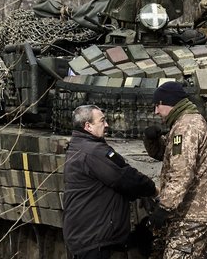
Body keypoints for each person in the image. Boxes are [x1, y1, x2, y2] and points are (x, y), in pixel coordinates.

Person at [63, 104, 158, 259]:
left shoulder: (79, 146)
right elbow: (126, 177)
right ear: (88, 126)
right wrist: (154, 191)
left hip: (88, 237)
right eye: (102, 121)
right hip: (96, 240)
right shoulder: (93, 151)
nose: (107, 125)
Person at [143, 81, 207, 258]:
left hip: (192, 215)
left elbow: (182, 173)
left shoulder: (186, 127)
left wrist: (164, 208)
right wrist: (152, 140)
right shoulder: (187, 122)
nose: (156, 112)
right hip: (197, 213)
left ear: (166, 102)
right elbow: (168, 156)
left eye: (157, 106)